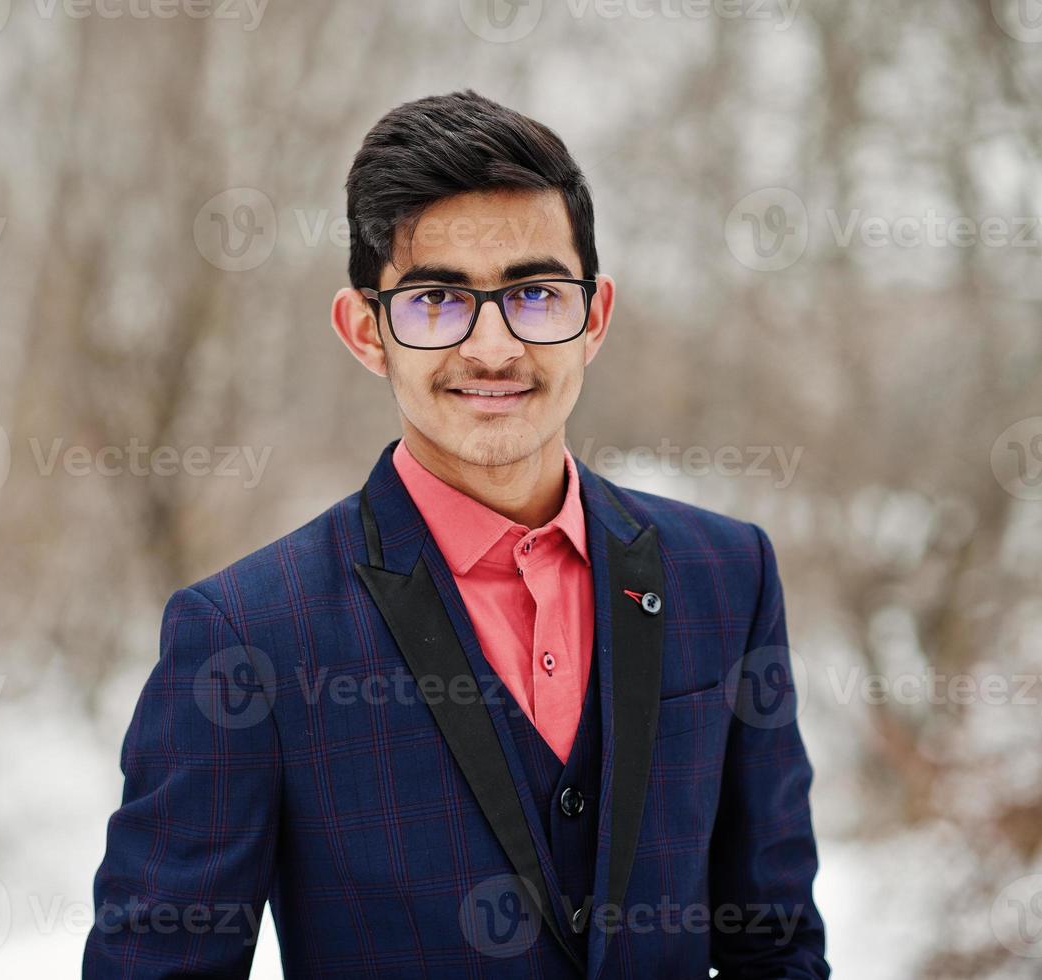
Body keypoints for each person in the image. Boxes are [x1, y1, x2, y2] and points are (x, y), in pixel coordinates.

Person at [84, 89, 828, 978]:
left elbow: (774, 947)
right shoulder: (243, 635)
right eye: (436, 301)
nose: (492, 347)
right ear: (366, 331)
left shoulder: (725, 574)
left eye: (535, 293)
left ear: (592, 317)